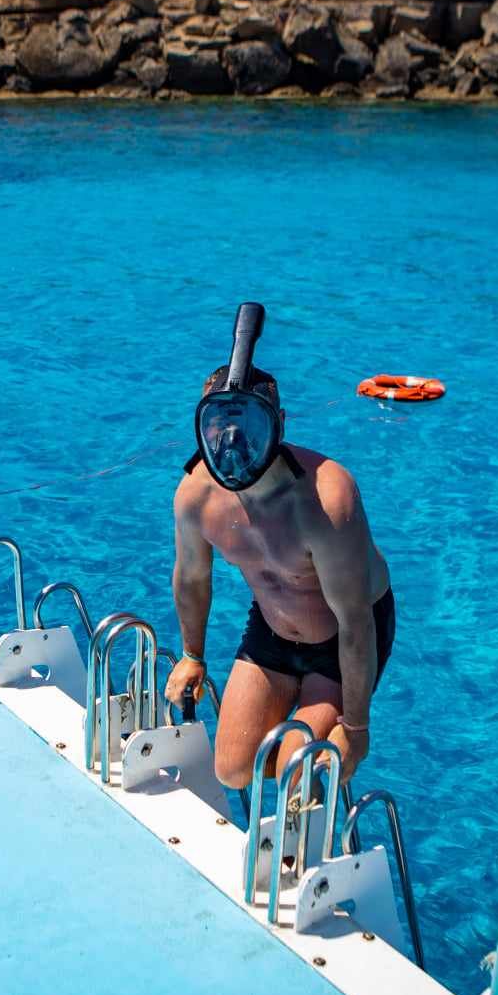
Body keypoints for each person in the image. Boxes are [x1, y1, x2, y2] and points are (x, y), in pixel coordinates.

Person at [165, 303, 395, 791]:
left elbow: (356, 623)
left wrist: (356, 729)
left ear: (279, 425)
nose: (232, 445)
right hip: (273, 629)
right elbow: (191, 578)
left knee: (296, 765)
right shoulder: (195, 495)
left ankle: (314, 802)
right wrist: (193, 655)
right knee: (230, 770)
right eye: (217, 428)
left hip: (341, 637)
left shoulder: (326, 498)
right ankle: (304, 755)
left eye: (248, 428)